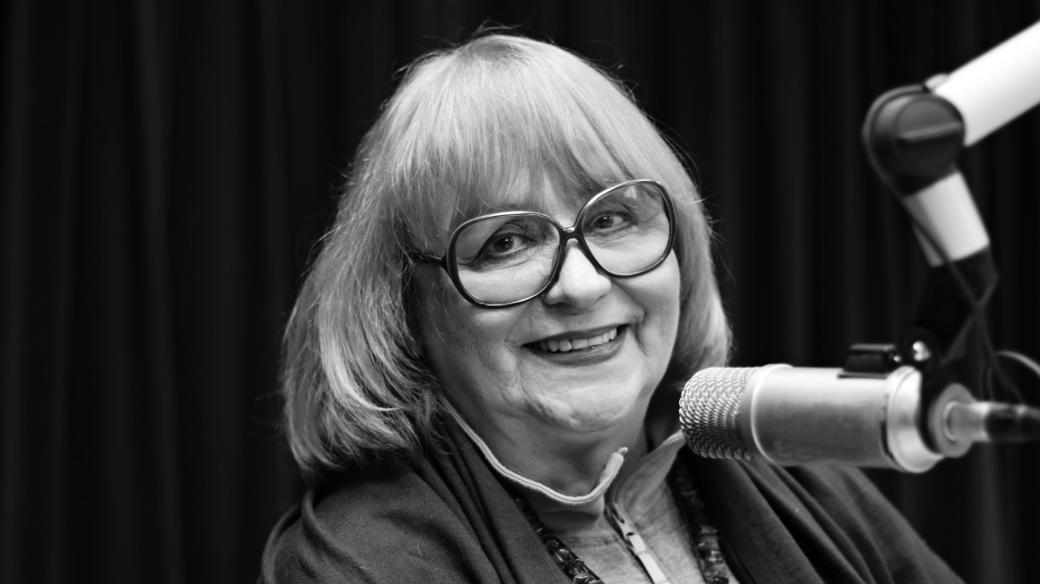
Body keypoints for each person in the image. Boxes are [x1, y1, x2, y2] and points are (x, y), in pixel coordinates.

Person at [259, 32, 962, 584]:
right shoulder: (354, 564)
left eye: (612, 219)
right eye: (505, 242)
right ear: (404, 306)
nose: (583, 285)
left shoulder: (798, 475)